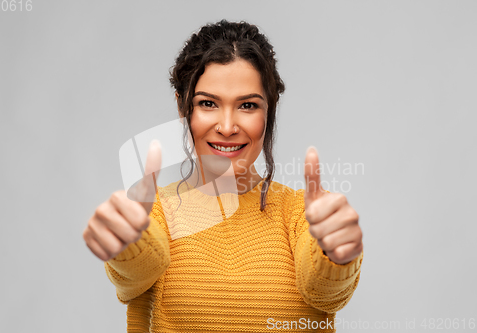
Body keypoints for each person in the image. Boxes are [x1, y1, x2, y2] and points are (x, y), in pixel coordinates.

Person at [83, 20, 363, 332]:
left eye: (247, 105)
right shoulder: (156, 214)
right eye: (208, 104)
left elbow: (324, 292)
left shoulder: (300, 215)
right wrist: (128, 241)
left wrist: (336, 255)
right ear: (182, 106)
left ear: (269, 110)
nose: (227, 127)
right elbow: (139, 268)